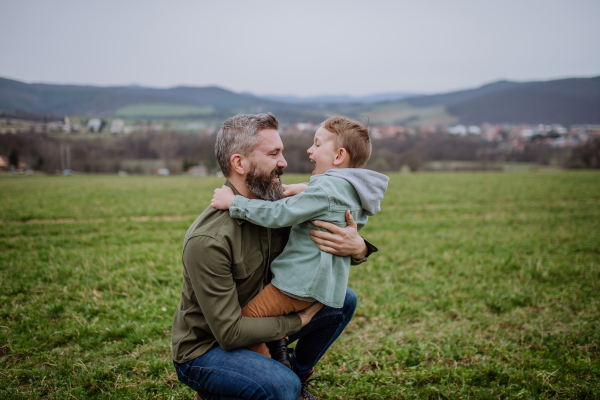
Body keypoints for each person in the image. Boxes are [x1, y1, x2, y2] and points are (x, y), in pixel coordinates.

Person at [171, 113, 378, 400]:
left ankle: (295, 371)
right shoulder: (208, 240)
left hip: (262, 320)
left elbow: (329, 219)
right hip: (210, 348)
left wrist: (359, 247)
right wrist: (299, 322)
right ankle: (218, 389)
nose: (285, 163)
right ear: (239, 163)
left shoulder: (277, 209)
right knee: (282, 387)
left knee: (344, 300)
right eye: (273, 154)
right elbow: (229, 333)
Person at [210, 116, 388, 365]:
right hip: (321, 285)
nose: (309, 150)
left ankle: (274, 370)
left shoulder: (324, 192)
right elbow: (332, 200)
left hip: (296, 284)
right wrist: (307, 188)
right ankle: (289, 359)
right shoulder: (352, 192)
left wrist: (234, 203)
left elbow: (279, 214)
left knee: (248, 323)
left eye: (317, 144)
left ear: (338, 157)